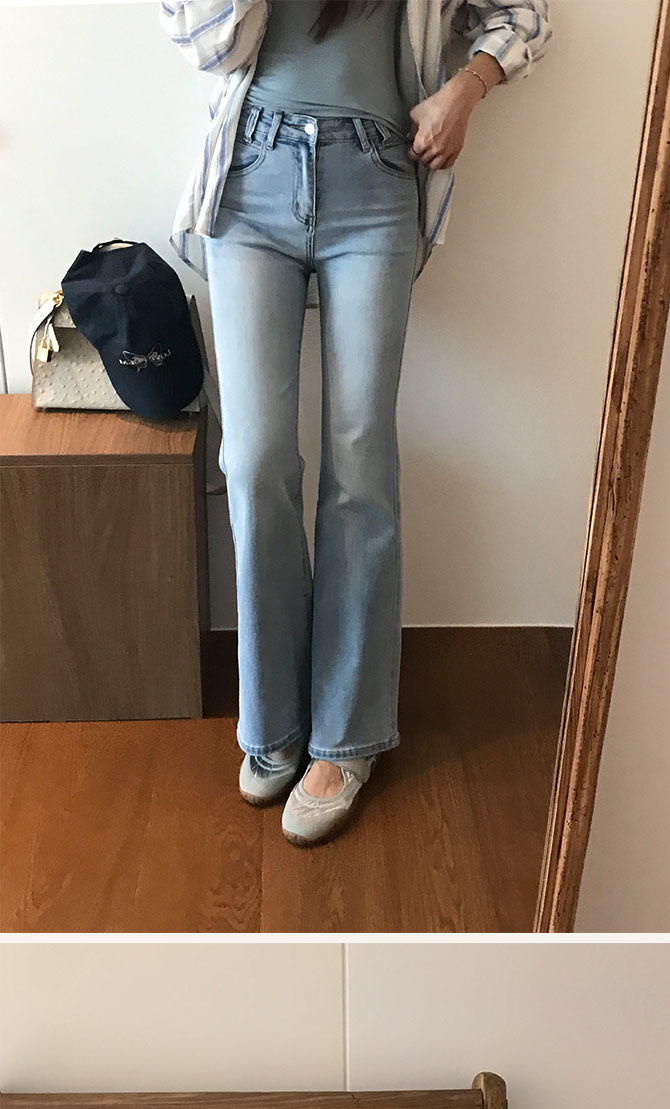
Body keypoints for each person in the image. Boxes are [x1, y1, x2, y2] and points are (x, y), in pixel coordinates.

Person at [164, 8, 551, 846]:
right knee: (255, 460)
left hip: (376, 173)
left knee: (360, 460)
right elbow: (199, 42)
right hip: (251, 170)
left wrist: (466, 89)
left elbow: (526, 11)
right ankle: (272, 719)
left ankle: (346, 737)